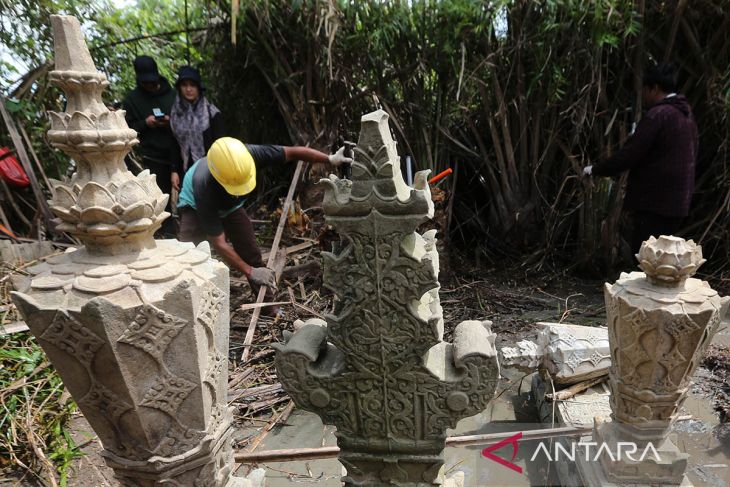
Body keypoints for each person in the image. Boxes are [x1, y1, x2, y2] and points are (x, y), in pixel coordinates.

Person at [178, 137, 352, 312]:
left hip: (231, 206)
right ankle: (186, 307)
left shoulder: (249, 155)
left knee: (251, 253)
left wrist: (329, 159)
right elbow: (219, 243)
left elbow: (293, 152)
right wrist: (249, 272)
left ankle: (267, 307)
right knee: (189, 255)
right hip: (193, 205)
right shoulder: (203, 186)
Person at [584, 62, 698, 253]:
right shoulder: (686, 115)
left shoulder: (658, 115)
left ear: (653, 88)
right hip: (678, 203)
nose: (643, 96)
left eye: (645, 90)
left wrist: (595, 170)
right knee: (662, 260)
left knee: (646, 258)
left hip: (654, 203)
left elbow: (629, 155)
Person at [123, 55, 177, 230]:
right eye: (146, 83)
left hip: (179, 152)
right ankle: (166, 232)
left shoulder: (173, 94)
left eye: (152, 82)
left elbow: (187, 119)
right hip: (153, 156)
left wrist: (172, 121)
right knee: (160, 197)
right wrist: (145, 124)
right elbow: (127, 129)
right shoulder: (132, 99)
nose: (150, 86)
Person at [169, 65, 225, 192]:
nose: (188, 89)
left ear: (199, 88)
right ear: (179, 88)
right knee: (189, 207)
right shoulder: (174, 114)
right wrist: (174, 171)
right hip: (185, 171)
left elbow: (221, 147)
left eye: (192, 85)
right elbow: (174, 144)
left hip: (210, 171)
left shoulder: (212, 113)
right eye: (184, 85)